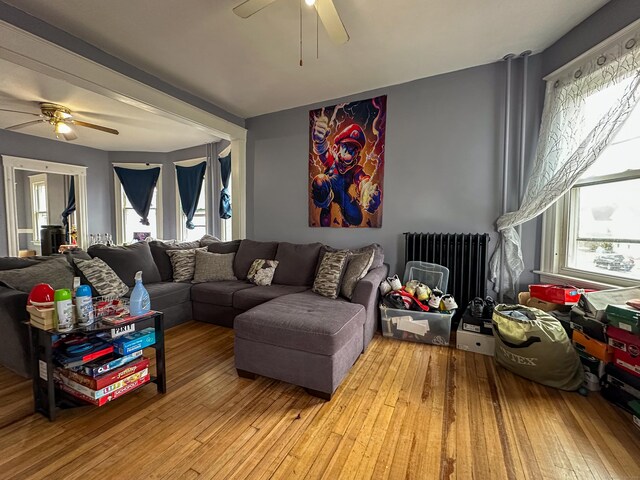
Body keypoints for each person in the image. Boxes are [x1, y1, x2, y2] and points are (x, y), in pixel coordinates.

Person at [311, 114, 381, 226]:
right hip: (328, 188)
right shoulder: (332, 161)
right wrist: (319, 141)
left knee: (356, 217)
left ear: (357, 158)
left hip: (342, 195)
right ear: (336, 148)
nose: (349, 151)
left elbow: (362, 180)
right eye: (346, 146)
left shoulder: (355, 170)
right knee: (320, 182)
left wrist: (367, 192)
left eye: (354, 150)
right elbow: (323, 153)